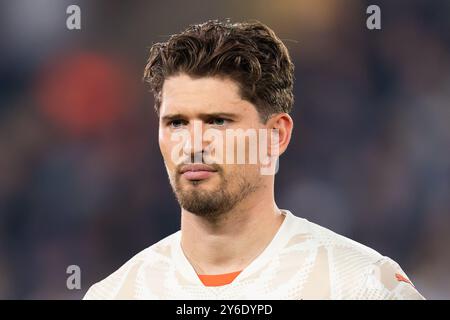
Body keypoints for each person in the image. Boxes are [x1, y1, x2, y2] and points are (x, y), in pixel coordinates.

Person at [84, 20, 424, 299]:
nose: (193, 144)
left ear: (275, 135)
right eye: (176, 123)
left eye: (218, 121)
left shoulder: (362, 287)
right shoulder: (115, 294)